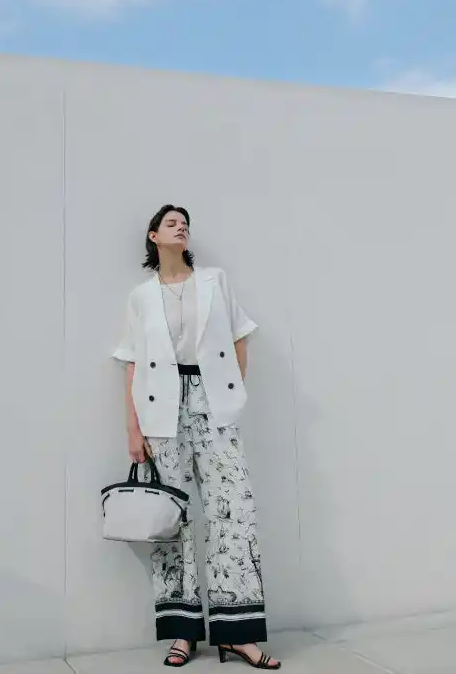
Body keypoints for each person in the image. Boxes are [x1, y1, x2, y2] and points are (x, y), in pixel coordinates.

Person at [112, 204, 281, 669]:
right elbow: (131, 363)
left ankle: (238, 634)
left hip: (211, 401)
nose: (181, 226)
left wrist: (232, 393)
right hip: (161, 410)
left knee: (233, 510)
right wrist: (133, 429)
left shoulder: (213, 281)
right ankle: (183, 632)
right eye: (171, 222)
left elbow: (240, 336)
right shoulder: (141, 297)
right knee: (174, 518)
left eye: (185, 222)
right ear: (153, 236)